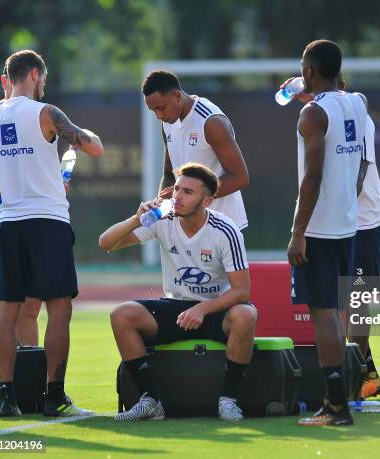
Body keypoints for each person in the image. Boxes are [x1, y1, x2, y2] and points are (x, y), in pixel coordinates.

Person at [0, 49, 104, 417]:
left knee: (7, 311)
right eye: (44, 79)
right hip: (48, 221)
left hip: (9, 223)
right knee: (58, 308)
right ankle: (54, 395)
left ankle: (6, 398)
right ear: (34, 74)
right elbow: (92, 147)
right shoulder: (46, 113)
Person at [99, 163, 257, 421]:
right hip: (176, 308)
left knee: (245, 316)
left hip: (216, 309)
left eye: (188, 192)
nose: (178, 197)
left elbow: (242, 291)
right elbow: (106, 243)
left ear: (206, 201)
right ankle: (150, 400)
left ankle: (228, 401)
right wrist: (136, 218)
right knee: (121, 315)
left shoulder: (225, 230)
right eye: (177, 190)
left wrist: (202, 308)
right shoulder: (163, 219)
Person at [280, 74, 380, 399]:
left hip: (360, 219)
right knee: (341, 303)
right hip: (348, 218)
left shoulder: (352, 108)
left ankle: (359, 373)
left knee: (349, 301)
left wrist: (344, 207)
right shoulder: (341, 106)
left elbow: (362, 165)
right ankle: (359, 372)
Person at [287, 40, 367, 426]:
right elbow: (359, 163)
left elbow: (313, 176)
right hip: (346, 226)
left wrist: (297, 232)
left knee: (325, 318)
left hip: (318, 230)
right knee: (336, 312)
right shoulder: (357, 102)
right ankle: (336, 402)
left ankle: (336, 406)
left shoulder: (312, 114)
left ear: (308, 72)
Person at [0, 67, 41, 348]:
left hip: (30, 224)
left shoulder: (42, 116)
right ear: (4, 81)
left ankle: (32, 383)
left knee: (28, 308)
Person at [142, 70, 249, 230]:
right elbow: (169, 174)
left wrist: (189, 195)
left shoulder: (211, 122)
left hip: (222, 227)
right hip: (186, 228)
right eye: (154, 111)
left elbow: (240, 178)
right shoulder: (167, 122)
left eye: (161, 108)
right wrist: (162, 204)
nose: (158, 115)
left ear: (177, 96)